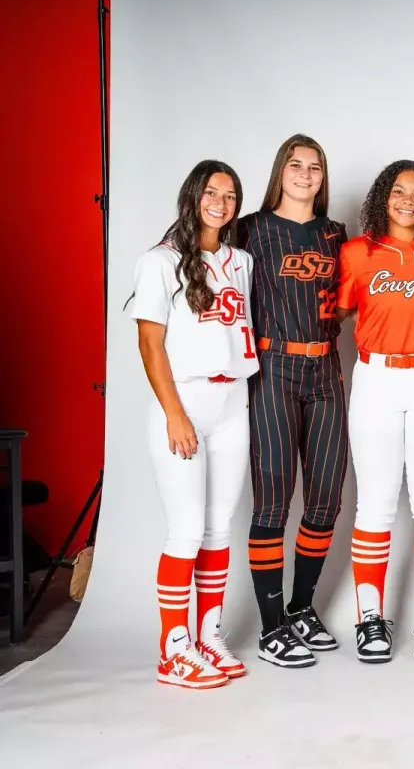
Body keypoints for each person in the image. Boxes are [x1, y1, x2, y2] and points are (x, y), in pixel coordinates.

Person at [128, 160, 256, 688]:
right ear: (193, 196)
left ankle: (207, 635)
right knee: (185, 529)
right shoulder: (159, 261)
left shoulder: (239, 260)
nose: (220, 203)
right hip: (184, 401)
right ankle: (172, 649)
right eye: (211, 192)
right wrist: (174, 413)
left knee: (219, 527)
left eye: (229, 195)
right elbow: (149, 342)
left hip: (233, 401)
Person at [334, 160, 414, 662]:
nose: (409, 200)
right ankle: (370, 619)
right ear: (382, 196)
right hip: (376, 377)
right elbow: (335, 313)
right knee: (376, 503)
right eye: (399, 191)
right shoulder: (357, 252)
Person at [237, 134, 349, 668]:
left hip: (325, 366)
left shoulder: (335, 234)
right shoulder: (251, 229)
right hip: (273, 369)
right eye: (295, 165)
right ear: (280, 171)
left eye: (315, 166)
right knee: (274, 503)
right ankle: (271, 625)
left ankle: (302, 608)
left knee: (326, 498)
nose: (305, 174)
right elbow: (194, 245)